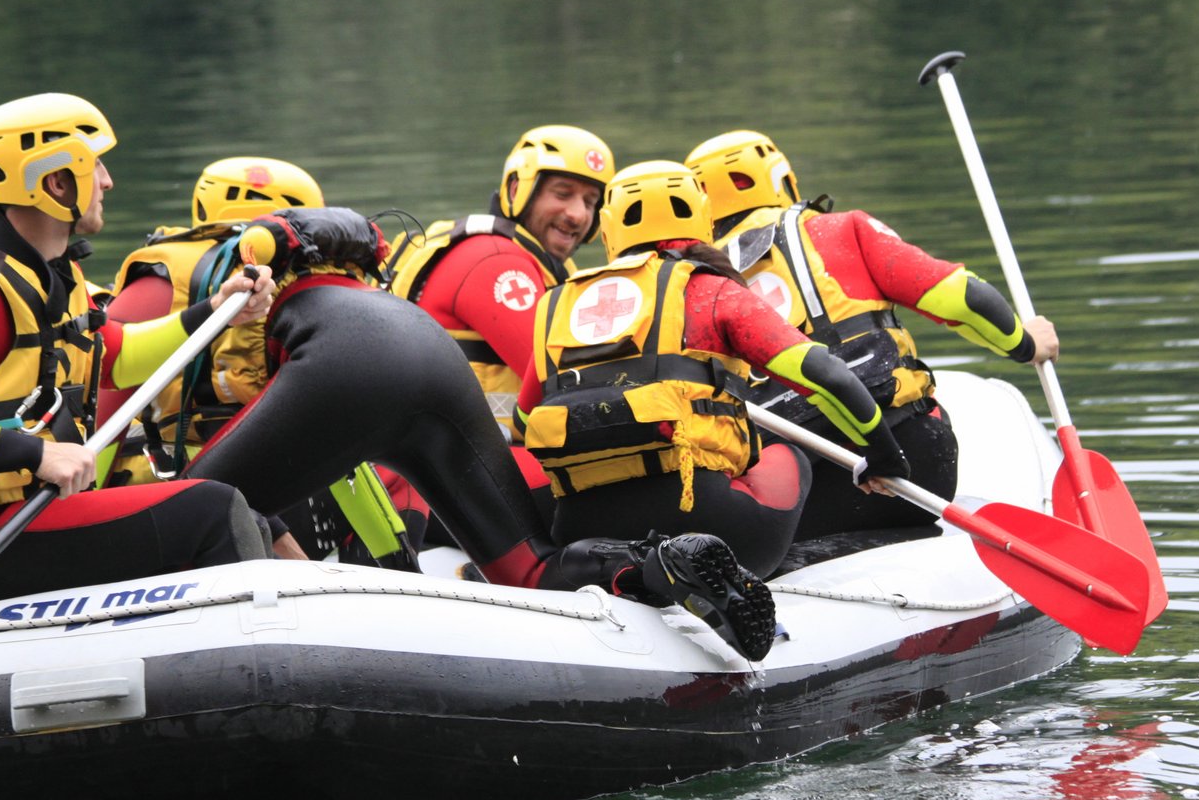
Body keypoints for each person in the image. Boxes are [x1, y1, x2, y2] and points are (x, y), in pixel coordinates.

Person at [183, 206, 780, 659]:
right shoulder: (376, 289)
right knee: (530, 569)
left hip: (345, 365)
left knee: (190, 501)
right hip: (431, 358)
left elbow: (228, 490)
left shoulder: (267, 308)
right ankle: (658, 562)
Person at [0, 93, 276, 606]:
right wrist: (35, 453)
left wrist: (215, 309)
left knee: (252, 514)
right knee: (211, 511)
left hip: (35, 518)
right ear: (56, 182)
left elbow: (115, 356)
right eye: (95, 165)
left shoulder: (52, 271)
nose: (107, 181)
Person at [515, 161, 911, 578]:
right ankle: (738, 575)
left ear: (609, 228)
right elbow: (827, 376)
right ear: (702, 216)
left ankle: (622, 569)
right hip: (711, 526)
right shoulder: (710, 289)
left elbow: (525, 424)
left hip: (581, 528)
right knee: (784, 452)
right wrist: (884, 456)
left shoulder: (557, 304)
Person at [685, 130, 1060, 537]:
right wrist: (1026, 344)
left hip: (785, 498)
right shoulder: (840, 230)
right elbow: (963, 299)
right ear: (783, 182)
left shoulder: (691, 285)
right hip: (909, 465)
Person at [102, 156, 324, 484]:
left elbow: (104, 393)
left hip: (192, 471)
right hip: (305, 464)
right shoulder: (316, 274)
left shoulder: (165, 274)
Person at [386, 124, 613, 438]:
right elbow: (567, 383)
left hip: (466, 460)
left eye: (590, 203)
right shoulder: (494, 261)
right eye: (562, 194)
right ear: (519, 190)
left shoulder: (546, 266)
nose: (577, 214)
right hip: (438, 475)